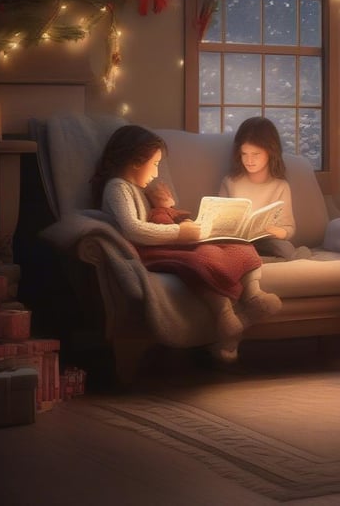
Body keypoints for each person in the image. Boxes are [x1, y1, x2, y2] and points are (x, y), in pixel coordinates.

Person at [90, 124, 282, 363]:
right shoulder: (118, 187)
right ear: (136, 161)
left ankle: (253, 297)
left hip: (163, 240)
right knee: (203, 258)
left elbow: (155, 215)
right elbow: (133, 229)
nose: (156, 173)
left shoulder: (134, 187)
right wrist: (179, 233)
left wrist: (165, 206)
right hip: (151, 250)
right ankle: (225, 315)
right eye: (155, 164)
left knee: (239, 245)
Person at [219, 117, 311, 260]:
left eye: (256, 154)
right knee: (224, 249)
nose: (249, 161)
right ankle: (250, 260)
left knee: (284, 248)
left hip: (267, 242)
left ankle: (256, 260)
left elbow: (288, 227)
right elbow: (219, 220)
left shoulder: (280, 186)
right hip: (236, 241)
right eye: (244, 154)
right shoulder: (230, 182)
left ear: (270, 152)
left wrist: (276, 232)